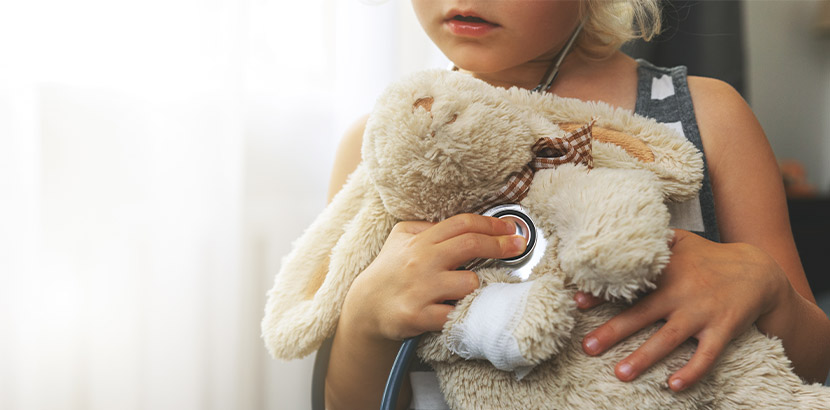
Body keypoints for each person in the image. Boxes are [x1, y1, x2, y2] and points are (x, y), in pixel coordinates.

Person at [322, 1, 830, 408]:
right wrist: (365, 321)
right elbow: (340, 400)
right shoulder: (380, 148)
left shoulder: (709, 117)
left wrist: (766, 286)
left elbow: (811, 364)